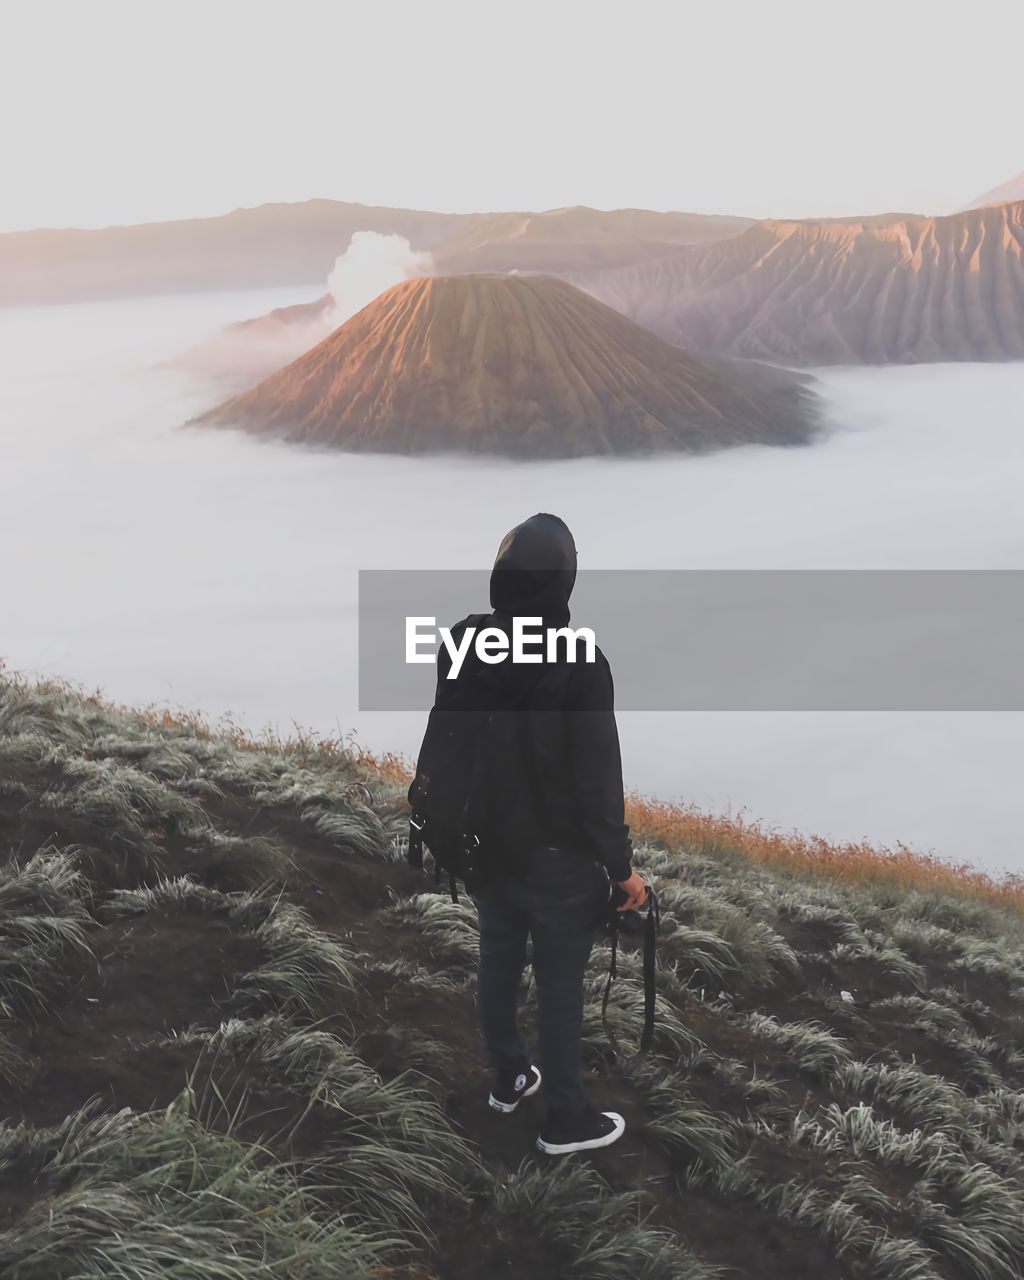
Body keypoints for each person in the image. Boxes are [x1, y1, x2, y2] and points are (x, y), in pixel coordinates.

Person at [435, 512, 647, 1155]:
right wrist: (621, 871)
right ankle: (565, 1119)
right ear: (565, 581)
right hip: (557, 859)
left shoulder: (464, 642)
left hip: (483, 848)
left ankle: (509, 1078)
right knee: (559, 986)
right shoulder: (582, 661)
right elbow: (596, 779)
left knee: (497, 958)